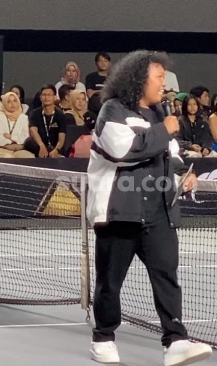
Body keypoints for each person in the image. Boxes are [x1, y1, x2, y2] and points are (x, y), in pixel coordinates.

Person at [86, 50, 212, 366]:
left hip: (159, 211)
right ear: (139, 79)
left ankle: (176, 341)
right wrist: (164, 129)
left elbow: (172, 156)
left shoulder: (159, 115)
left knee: (166, 276)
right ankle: (103, 337)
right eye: (158, 78)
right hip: (120, 210)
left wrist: (184, 176)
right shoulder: (111, 111)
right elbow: (123, 150)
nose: (163, 84)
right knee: (110, 281)